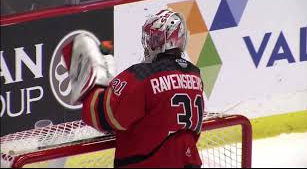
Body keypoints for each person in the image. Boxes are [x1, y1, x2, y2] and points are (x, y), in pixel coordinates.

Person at [63, 9, 204, 168]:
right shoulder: (195, 75)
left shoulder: (142, 75)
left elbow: (102, 116)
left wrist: (92, 85)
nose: (150, 43)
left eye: (153, 38)